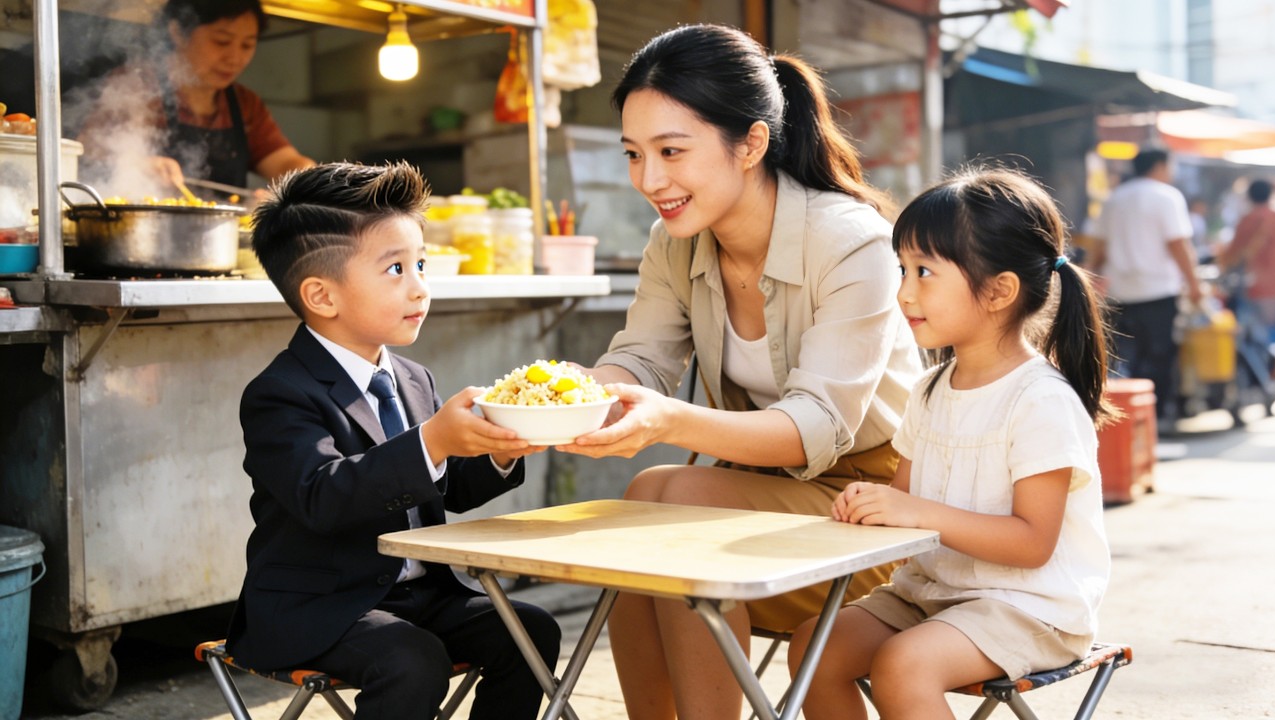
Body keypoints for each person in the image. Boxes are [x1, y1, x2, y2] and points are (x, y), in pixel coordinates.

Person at [559, 24, 922, 720]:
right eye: (635, 154)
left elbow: (816, 426)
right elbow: (640, 362)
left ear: (750, 144)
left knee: (670, 503)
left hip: (882, 508)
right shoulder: (675, 245)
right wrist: (570, 393)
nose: (649, 180)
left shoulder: (852, 244)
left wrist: (669, 420)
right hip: (765, 499)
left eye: (672, 151)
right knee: (637, 516)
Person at [225, 161, 559, 719]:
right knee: (411, 660)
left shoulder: (412, 378)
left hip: (419, 596)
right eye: (396, 269)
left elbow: (446, 489)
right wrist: (432, 439)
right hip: (320, 605)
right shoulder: (280, 393)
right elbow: (322, 497)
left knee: (529, 631)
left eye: (421, 264)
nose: (420, 287)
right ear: (322, 296)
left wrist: (500, 450)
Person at [787, 168, 1114, 720]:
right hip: (932, 592)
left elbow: (1033, 543)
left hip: (1028, 608)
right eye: (902, 269)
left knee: (903, 665)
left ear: (999, 290)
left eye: (924, 272)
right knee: (813, 648)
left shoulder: (1039, 400)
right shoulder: (930, 389)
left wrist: (911, 509)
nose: (904, 292)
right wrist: (869, 509)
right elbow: (904, 507)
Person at [77, 0, 314, 199]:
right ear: (178, 32)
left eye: (247, 45)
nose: (235, 57)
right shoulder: (138, 87)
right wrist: (137, 165)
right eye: (222, 41)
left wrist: (304, 180)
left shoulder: (243, 104)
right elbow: (88, 153)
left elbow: (287, 163)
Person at [1089, 147, 1204, 435]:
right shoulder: (1166, 196)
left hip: (1120, 294)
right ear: (1161, 165)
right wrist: (1194, 285)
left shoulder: (1115, 199)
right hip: (1158, 292)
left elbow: (1099, 250)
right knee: (1159, 357)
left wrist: (1088, 283)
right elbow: (1179, 245)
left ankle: (1127, 421)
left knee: (1125, 359)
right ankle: (1154, 419)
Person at [1218, 179, 1275, 339]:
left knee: (1260, 338)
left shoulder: (1248, 220)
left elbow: (1231, 254)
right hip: (1273, 285)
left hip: (1256, 288)